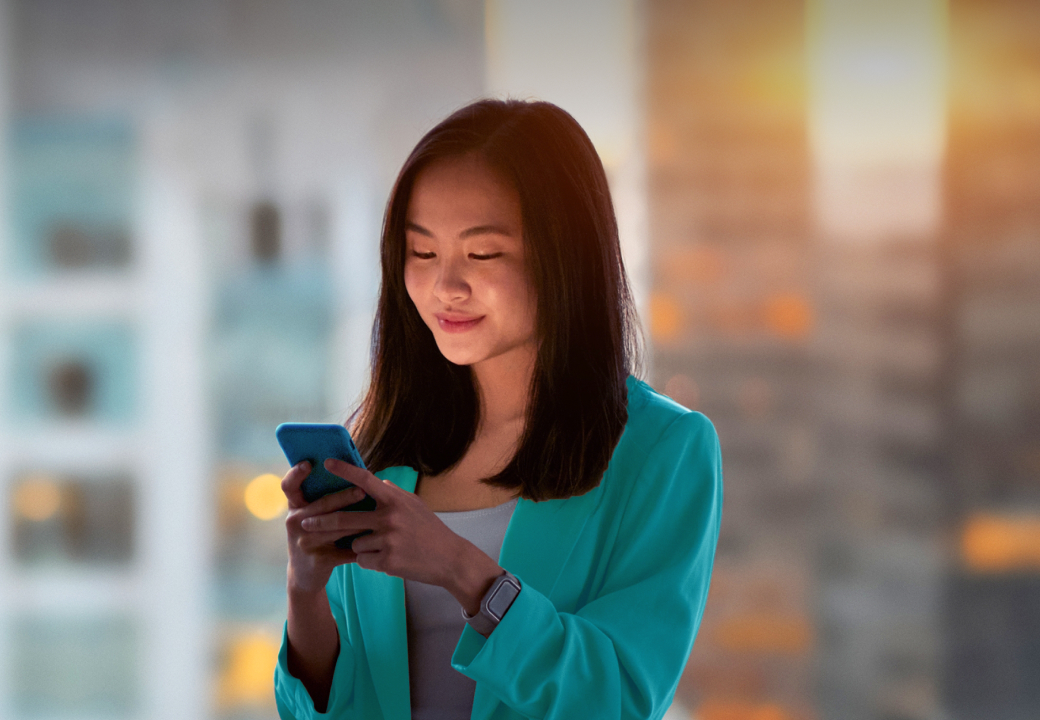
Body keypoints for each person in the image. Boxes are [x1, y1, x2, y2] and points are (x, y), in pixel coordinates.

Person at [272, 99, 722, 720]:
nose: (445, 287)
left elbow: (619, 699)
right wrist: (304, 590)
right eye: (422, 253)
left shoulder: (661, 451)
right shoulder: (384, 446)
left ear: (565, 257)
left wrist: (460, 569)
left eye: (482, 255)